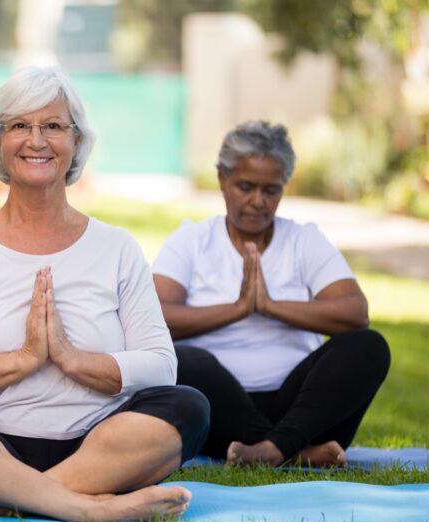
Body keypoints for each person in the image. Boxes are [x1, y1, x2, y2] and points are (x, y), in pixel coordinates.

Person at [0, 67, 209, 522]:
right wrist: (25, 358)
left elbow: (161, 363)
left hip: (98, 442)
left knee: (189, 405)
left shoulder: (116, 248)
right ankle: (88, 507)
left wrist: (73, 359)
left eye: (53, 126)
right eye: (19, 125)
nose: (36, 140)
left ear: (76, 142)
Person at [152, 120, 391, 468]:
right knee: (181, 361)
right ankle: (295, 453)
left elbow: (355, 313)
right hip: (218, 408)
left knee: (369, 346)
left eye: (271, 190)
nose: (257, 202)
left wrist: (269, 306)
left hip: (305, 409)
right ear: (222, 180)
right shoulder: (191, 241)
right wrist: (237, 309)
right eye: (246, 187)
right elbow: (154, 317)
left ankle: (272, 448)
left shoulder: (304, 240)